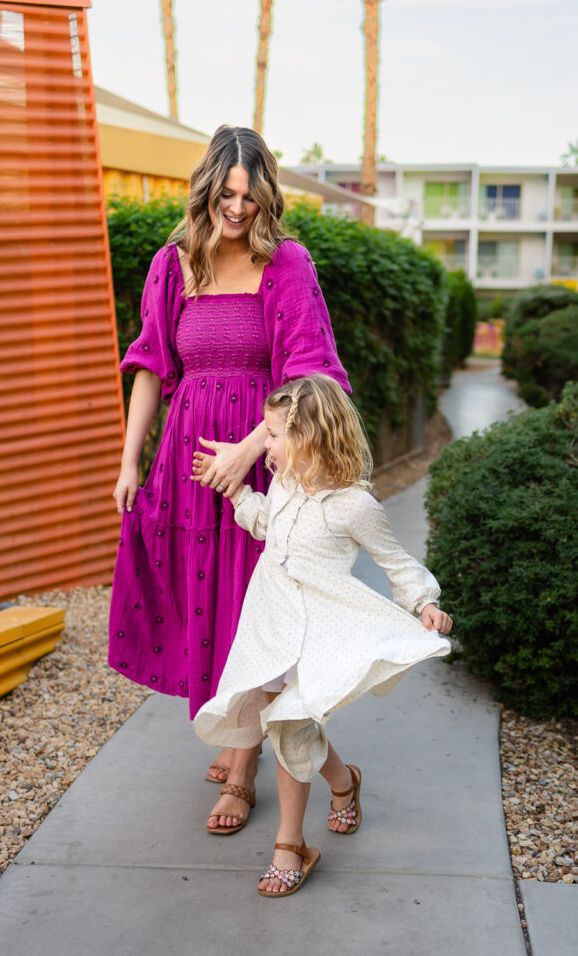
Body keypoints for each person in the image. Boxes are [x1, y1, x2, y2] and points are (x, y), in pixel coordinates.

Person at [108, 126, 351, 830]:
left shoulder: (287, 264)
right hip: (187, 463)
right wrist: (130, 460)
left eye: (249, 195)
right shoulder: (173, 262)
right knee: (202, 602)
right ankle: (239, 728)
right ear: (205, 189)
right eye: (226, 193)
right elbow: (152, 365)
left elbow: (309, 374)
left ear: (265, 197)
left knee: (254, 612)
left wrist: (249, 451)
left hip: (264, 463)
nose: (237, 208)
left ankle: (241, 773)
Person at [193, 374, 453, 897]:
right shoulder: (286, 485)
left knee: (290, 726)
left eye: (271, 434)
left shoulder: (354, 506)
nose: (262, 444)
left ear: (308, 437)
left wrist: (425, 601)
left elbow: (395, 562)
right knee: (292, 726)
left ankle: (291, 845)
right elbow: (268, 526)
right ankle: (343, 781)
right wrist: (239, 491)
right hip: (270, 625)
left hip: (317, 629)